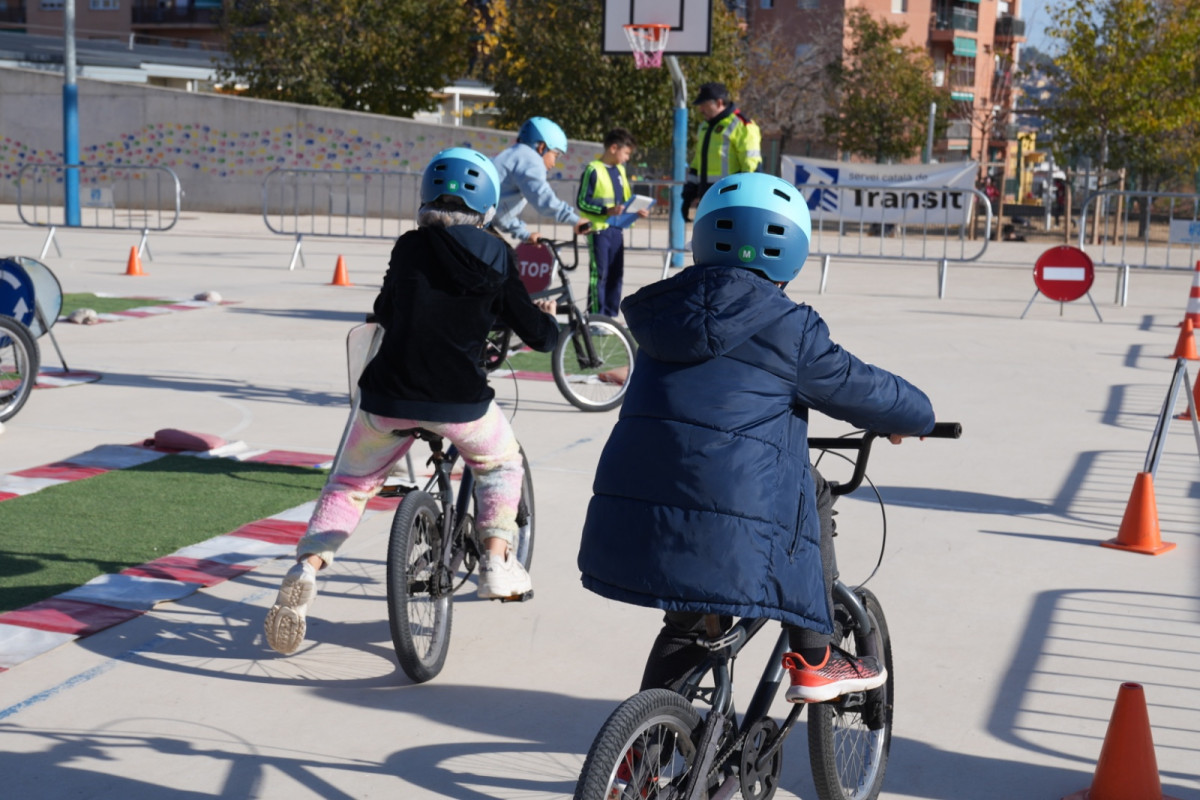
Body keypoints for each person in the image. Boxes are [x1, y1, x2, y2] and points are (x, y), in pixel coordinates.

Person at [577, 172, 936, 702]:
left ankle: (641, 766)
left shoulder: (660, 314)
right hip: (727, 495)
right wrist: (917, 416)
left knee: (686, 625)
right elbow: (861, 388)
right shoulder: (790, 328)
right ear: (791, 251)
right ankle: (816, 656)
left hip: (638, 502)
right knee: (808, 490)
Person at [264, 147, 560, 656]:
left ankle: (306, 567)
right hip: (461, 403)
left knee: (352, 484)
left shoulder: (408, 248)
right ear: (487, 202)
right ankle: (495, 558)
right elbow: (539, 336)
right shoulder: (496, 253)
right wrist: (543, 316)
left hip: (388, 397)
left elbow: (383, 310)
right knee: (500, 464)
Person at [576, 128, 650, 318]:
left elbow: (625, 202)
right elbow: (582, 201)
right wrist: (605, 211)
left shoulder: (620, 171)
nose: (627, 158)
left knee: (616, 274)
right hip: (597, 230)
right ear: (613, 148)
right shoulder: (593, 169)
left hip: (616, 230)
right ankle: (595, 318)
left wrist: (637, 211)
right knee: (599, 275)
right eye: (626, 153)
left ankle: (609, 317)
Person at [492, 116, 591, 243]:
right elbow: (542, 197)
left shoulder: (514, 155)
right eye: (556, 155)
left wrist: (525, 234)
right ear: (542, 147)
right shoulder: (530, 158)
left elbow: (501, 213)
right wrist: (575, 220)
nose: (554, 163)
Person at [680, 82, 762, 222]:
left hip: (731, 200)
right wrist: (688, 195)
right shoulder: (705, 127)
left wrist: (746, 201)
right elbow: (697, 163)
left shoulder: (742, 125)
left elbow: (751, 167)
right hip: (708, 198)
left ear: (718, 103)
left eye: (704, 105)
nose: (700, 109)